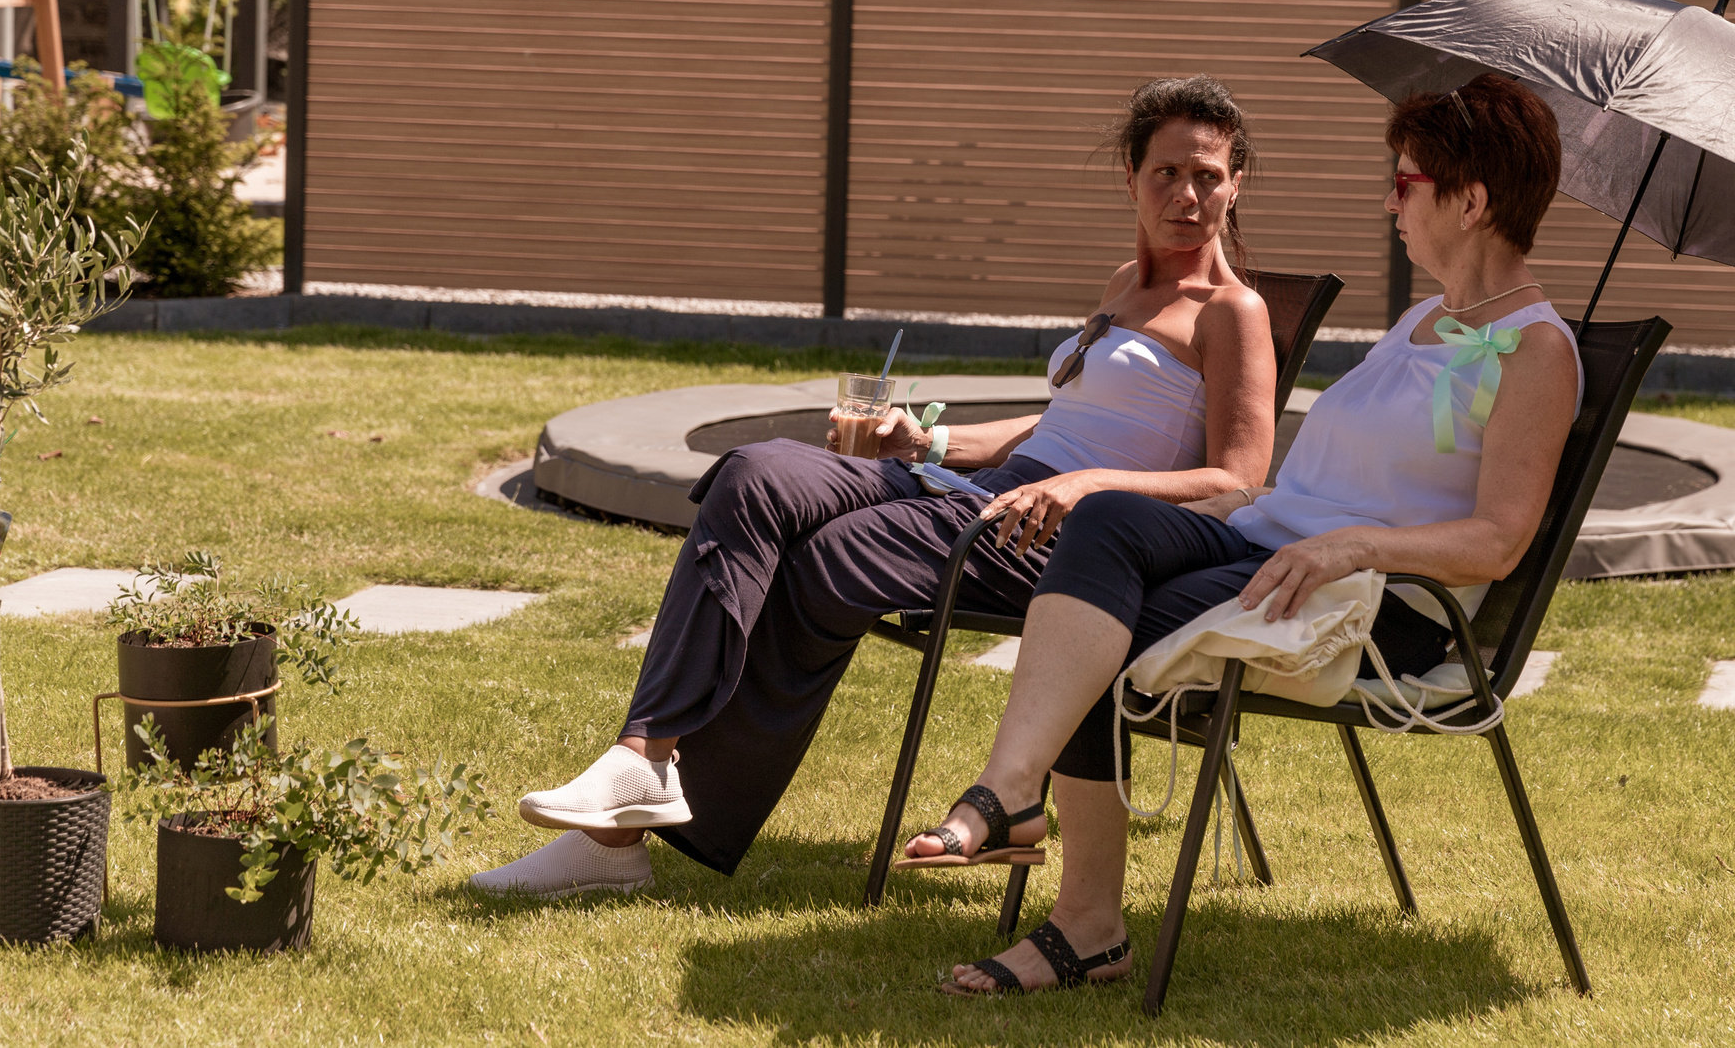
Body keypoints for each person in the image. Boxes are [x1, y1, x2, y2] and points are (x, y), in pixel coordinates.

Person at [471, 77, 1277, 900]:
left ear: (1236, 182)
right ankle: (642, 759)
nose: (1187, 194)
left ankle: (619, 840)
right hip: (988, 489)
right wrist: (934, 439)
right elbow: (1063, 421)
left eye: (1208, 175)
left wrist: (1086, 484)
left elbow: (1239, 477)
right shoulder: (1123, 285)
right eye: (1167, 172)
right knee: (757, 473)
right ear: (1131, 177)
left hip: (1055, 537)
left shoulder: (1233, 311)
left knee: (829, 557)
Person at [897, 73, 1581, 996]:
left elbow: (1499, 540)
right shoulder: (1426, 319)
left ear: (1472, 199)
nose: (1391, 199)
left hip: (1373, 602)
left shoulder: (1538, 351)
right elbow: (1322, 480)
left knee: (1109, 627)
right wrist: (1228, 511)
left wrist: (1354, 546)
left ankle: (1083, 922)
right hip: (1271, 544)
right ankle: (1014, 795)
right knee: (1103, 522)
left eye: (1406, 182)